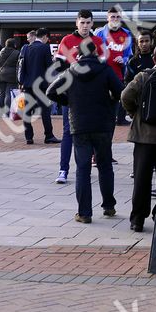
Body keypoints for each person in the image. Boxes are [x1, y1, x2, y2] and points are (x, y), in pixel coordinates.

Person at [52, 38, 123, 224]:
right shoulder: (106, 69)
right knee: (105, 165)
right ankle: (108, 206)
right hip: (102, 124)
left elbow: (51, 91)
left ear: (79, 53)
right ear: (96, 52)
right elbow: (120, 92)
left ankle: (84, 213)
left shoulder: (71, 71)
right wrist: (109, 103)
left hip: (79, 124)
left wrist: (69, 102)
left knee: (82, 169)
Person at [122, 42, 156, 232]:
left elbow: (125, 96)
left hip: (143, 135)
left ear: (154, 58)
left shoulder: (143, 76)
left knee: (141, 179)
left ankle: (137, 219)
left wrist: (134, 114)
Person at [53, 10, 107, 184]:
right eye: (82, 22)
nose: (85, 26)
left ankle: (85, 168)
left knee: (91, 131)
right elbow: (58, 66)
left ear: (92, 24)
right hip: (72, 93)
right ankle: (63, 170)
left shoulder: (98, 42)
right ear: (76, 23)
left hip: (93, 95)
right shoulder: (67, 41)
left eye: (88, 22)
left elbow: (102, 68)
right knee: (68, 131)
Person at [18, 29, 57, 145]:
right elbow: (49, 67)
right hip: (41, 85)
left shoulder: (26, 48)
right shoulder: (44, 48)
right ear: (45, 37)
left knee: (27, 111)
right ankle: (48, 136)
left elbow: (21, 66)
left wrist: (21, 82)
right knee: (45, 111)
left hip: (27, 84)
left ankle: (29, 137)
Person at [0, 35, 21, 120]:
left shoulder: (0, 52)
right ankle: (7, 113)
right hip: (12, 75)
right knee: (9, 94)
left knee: (1, 93)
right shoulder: (17, 53)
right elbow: (19, 65)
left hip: (1, 75)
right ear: (14, 45)